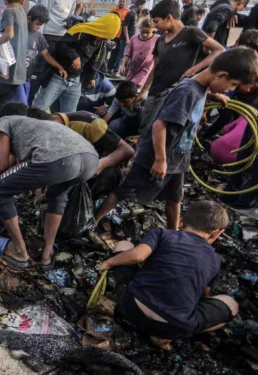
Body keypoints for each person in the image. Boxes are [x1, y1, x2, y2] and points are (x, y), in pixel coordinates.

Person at [95, 47, 258, 230]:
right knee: (125, 192)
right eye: (233, 84)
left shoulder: (200, 86)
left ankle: (174, 232)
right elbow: (159, 126)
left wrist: (213, 95)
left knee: (174, 198)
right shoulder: (187, 92)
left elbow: (194, 90)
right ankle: (94, 220)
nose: (231, 90)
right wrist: (160, 160)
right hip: (156, 157)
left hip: (178, 156)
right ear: (220, 75)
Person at [98, 201, 237, 350]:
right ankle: (162, 339)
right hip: (174, 326)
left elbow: (136, 256)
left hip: (130, 307)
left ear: (181, 221)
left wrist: (108, 263)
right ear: (217, 233)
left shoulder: (163, 234)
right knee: (232, 305)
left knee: (124, 245)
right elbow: (204, 295)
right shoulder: (215, 260)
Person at [0, 105, 98, 269]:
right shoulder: (35, 127)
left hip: (61, 160)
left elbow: (2, 165)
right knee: (57, 196)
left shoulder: (5, 121)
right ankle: (47, 254)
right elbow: (24, 167)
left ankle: (19, 251)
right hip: (90, 160)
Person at [135, 0, 224, 137]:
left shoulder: (191, 33)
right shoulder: (160, 40)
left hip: (174, 92)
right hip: (154, 91)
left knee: (159, 131)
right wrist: (143, 91)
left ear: (169, 18)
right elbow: (155, 68)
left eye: (157, 21)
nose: (155, 26)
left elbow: (218, 50)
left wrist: (192, 70)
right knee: (144, 128)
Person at [27, 108, 134, 199]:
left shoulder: (90, 125)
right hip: (75, 165)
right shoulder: (50, 131)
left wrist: (101, 164)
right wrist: (39, 189)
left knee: (104, 176)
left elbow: (127, 150)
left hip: (100, 170)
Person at [32, 13, 119, 114]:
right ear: (102, 29)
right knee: (38, 109)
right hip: (58, 76)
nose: (103, 40)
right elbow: (60, 44)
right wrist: (74, 56)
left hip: (76, 80)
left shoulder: (100, 42)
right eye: (104, 37)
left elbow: (93, 61)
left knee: (70, 115)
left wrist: (91, 77)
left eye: (106, 38)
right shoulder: (80, 30)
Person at [12, 4, 64, 105]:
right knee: (21, 105)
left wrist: (59, 67)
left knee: (27, 101)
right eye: (37, 24)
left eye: (41, 25)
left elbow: (46, 54)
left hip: (27, 77)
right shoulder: (16, 30)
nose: (38, 27)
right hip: (14, 76)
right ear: (29, 19)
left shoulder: (38, 36)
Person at [120, 17, 157, 89]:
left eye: (148, 32)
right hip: (133, 68)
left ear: (153, 30)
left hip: (146, 68)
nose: (144, 35)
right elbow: (128, 54)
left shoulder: (157, 39)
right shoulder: (134, 38)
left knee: (135, 86)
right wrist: (123, 65)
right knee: (128, 87)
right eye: (142, 32)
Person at [107, 0, 131, 75]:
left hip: (123, 36)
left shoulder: (128, 11)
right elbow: (110, 21)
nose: (121, 3)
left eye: (123, 1)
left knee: (121, 54)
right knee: (113, 52)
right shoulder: (113, 10)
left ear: (125, 2)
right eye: (120, 1)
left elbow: (128, 24)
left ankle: (116, 70)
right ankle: (109, 68)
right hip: (114, 35)